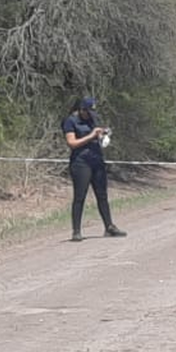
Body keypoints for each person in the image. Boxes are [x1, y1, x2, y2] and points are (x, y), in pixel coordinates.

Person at [61, 96, 127, 242]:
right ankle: (76, 231)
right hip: (80, 163)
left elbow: (97, 133)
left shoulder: (93, 118)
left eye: (91, 111)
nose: (89, 114)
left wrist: (103, 133)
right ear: (81, 109)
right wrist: (91, 136)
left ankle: (109, 226)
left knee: (102, 195)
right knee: (80, 196)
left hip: (96, 160)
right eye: (87, 111)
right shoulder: (70, 121)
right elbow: (72, 143)